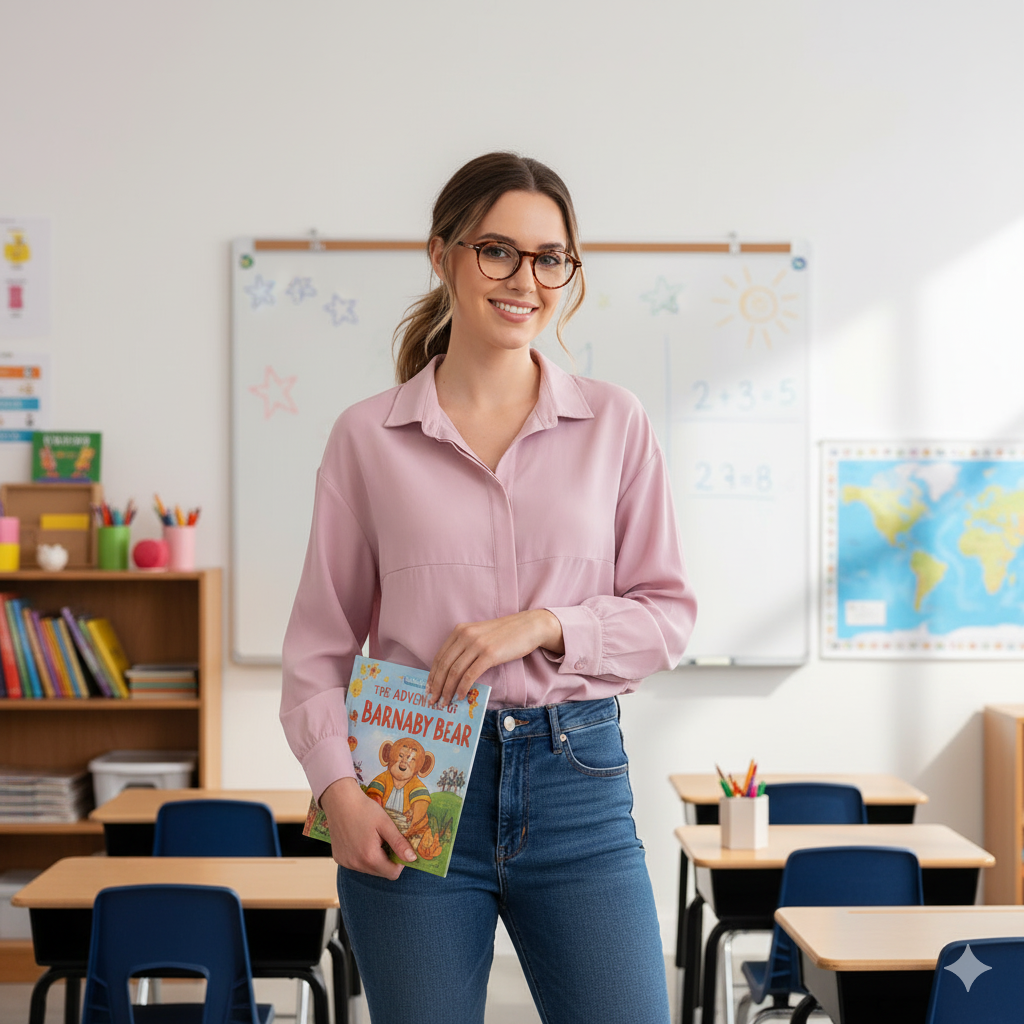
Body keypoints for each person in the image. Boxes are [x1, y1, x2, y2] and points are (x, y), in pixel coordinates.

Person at [281, 152, 696, 1024]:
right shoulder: (368, 438)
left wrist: (543, 625)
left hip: (575, 778)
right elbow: (318, 648)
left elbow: (665, 615)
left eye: (551, 258)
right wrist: (336, 792)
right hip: (413, 781)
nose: (526, 280)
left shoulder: (614, 423)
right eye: (498, 251)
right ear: (443, 255)